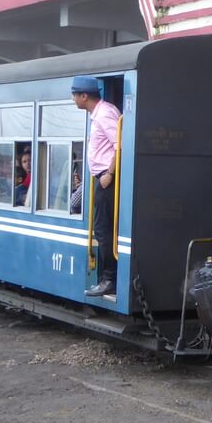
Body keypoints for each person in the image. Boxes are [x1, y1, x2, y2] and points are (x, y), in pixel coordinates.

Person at [72, 76, 121, 297]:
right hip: (100, 178)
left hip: (106, 180)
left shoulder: (105, 113)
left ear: (84, 96)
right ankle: (107, 278)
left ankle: (109, 279)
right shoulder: (98, 114)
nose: (73, 98)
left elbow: (120, 145)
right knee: (101, 229)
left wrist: (109, 173)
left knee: (103, 230)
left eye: (75, 94)